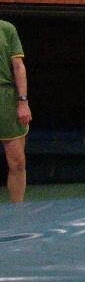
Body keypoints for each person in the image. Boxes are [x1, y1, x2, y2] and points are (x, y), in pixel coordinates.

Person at [0, 20, 32, 203]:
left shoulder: (7, 29)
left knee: (17, 162)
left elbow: (18, 66)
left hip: (6, 100)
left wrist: (23, 102)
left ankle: (17, 210)